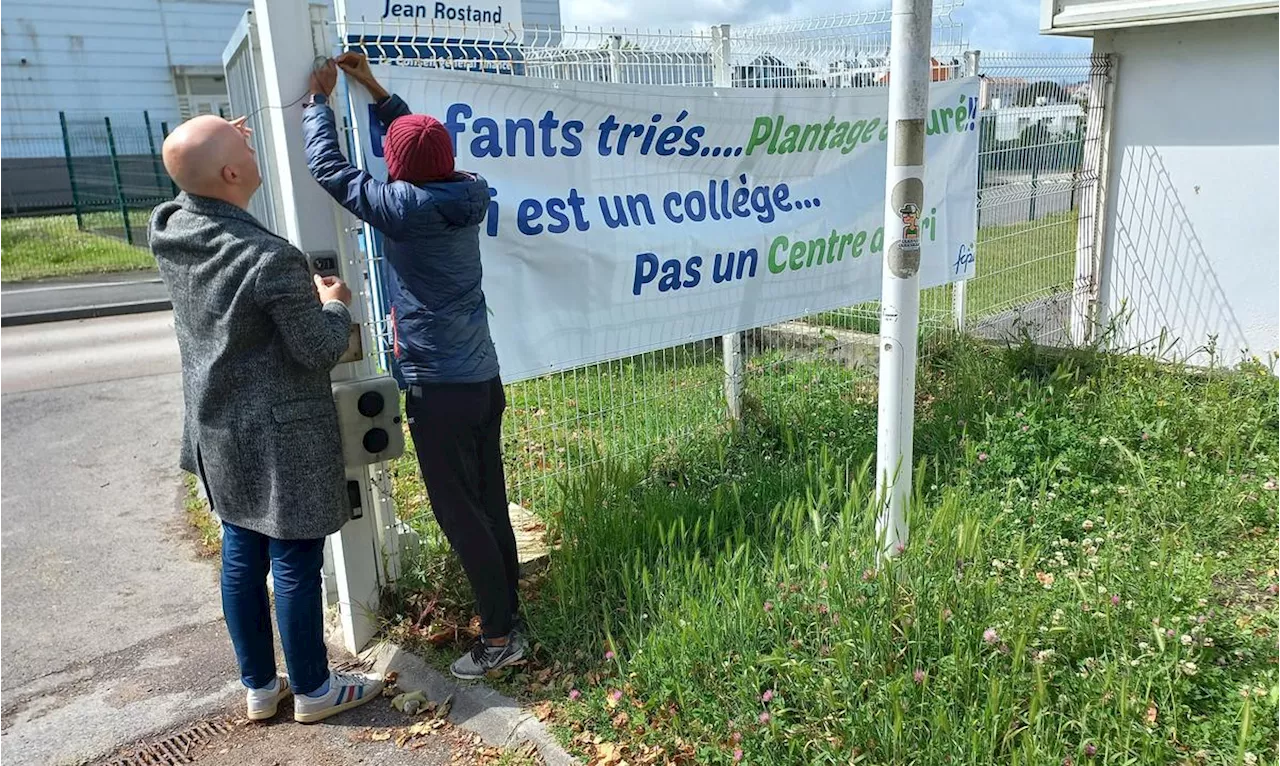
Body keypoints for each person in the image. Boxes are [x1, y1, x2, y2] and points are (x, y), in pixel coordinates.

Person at [150, 113, 383, 723]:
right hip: (280, 434)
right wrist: (332, 305)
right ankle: (313, 689)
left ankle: (259, 686)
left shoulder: (171, 229)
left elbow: (187, 176)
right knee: (295, 558)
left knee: (240, 552)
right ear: (231, 173)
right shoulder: (269, 257)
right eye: (241, 149)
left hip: (217, 427)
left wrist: (205, 138)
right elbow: (316, 349)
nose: (253, 150)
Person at [301, 55, 525, 680]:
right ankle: (511, 619)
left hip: (438, 386)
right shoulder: (466, 192)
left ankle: (502, 636)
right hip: (482, 380)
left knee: (460, 514)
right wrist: (373, 90)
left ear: (398, 171)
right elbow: (417, 147)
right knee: (489, 503)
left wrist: (318, 104)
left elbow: (330, 170)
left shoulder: (404, 208)